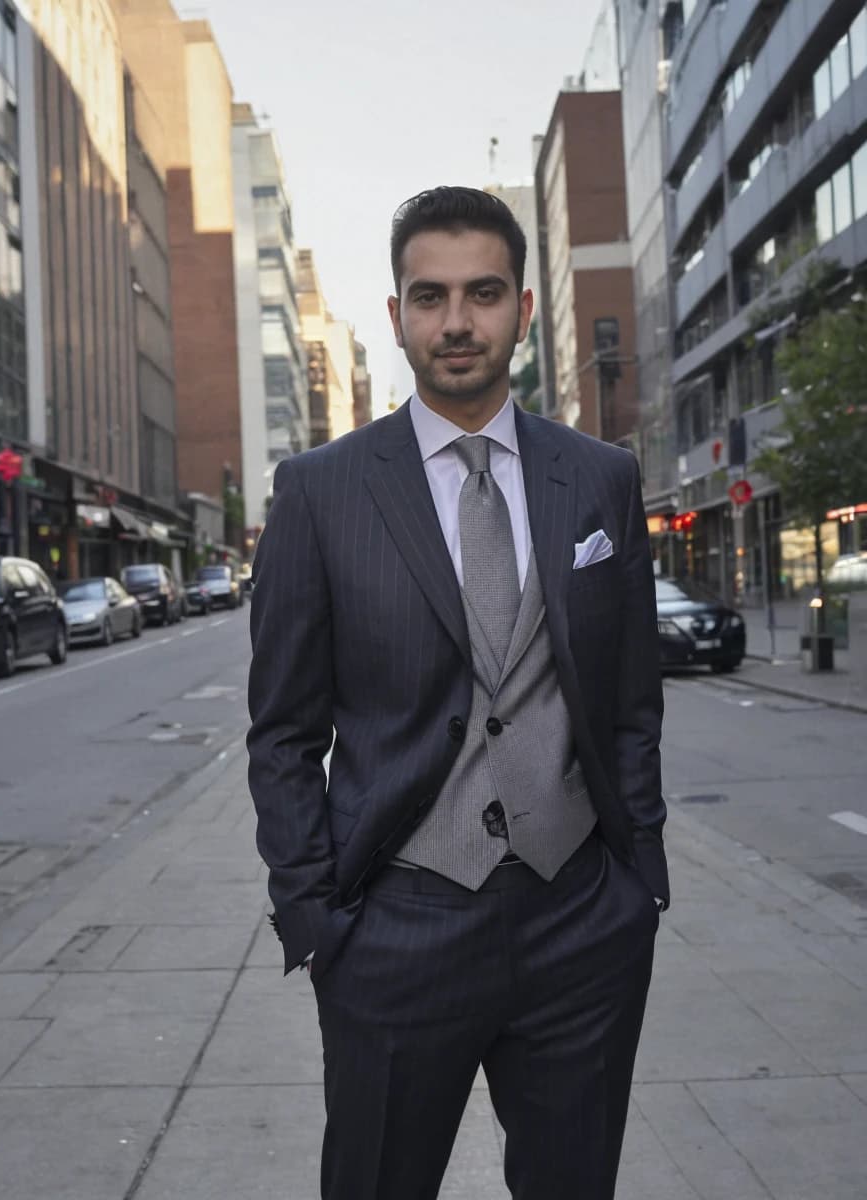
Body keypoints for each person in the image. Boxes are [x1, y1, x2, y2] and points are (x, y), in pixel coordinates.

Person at [247, 185, 668, 1200]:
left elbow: (628, 700)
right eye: (428, 297)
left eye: (481, 293)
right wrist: (318, 920)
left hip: (580, 924)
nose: (455, 322)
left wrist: (637, 881)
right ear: (394, 316)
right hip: (395, 924)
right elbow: (283, 734)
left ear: (523, 307)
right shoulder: (320, 491)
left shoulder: (599, 478)